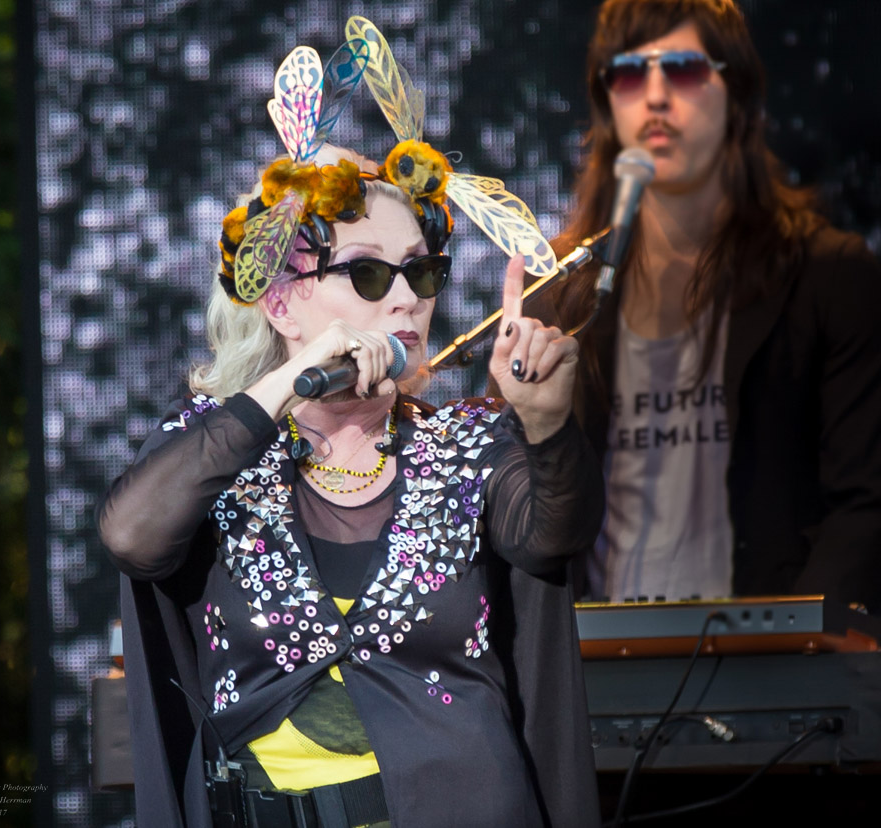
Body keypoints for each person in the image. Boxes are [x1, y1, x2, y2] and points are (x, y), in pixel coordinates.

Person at [98, 22, 603, 828]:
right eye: (369, 274)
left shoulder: (467, 446)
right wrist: (291, 387)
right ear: (285, 302)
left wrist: (544, 426)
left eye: (422, 272)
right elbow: (131, 536)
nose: (407, 299)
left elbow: (554, 540)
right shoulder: (221, 452)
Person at [534, 0, 881, 609]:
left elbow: (865, 500)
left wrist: (799, 652)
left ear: (738, 94)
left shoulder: (830, 275)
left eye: (686, 69)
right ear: (609, 102)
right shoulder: (565, 292)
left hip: (771, 668)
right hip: (599, 669)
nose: (657, 96)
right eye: (631, 73)